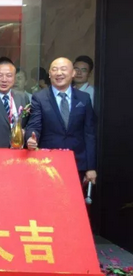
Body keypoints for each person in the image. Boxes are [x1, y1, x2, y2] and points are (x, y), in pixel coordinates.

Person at [26, 57, 97, 185]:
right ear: (49, 74)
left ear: (73, 73)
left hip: (77, 162)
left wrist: (91, 167)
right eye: (55, 69)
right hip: (48, 162)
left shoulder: (84, 98)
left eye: (63, 69)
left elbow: (89, 133)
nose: (59, 73)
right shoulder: (40, 97)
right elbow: (34, 125)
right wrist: (30, 138)